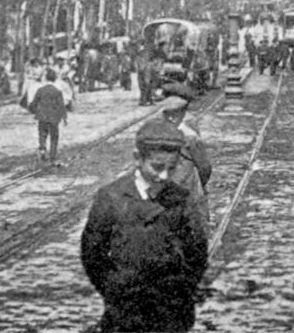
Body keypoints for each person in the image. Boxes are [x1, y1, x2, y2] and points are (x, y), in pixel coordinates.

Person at [81, 119, 209, 332]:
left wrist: (181, 291)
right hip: (125, 311)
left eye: (171, 168)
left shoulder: (181, 199)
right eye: (157, 167)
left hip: (171, 312)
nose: (164, 176)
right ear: (137, 158)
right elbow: (92, 253)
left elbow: (197, 252)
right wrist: (115, 287)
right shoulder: (111, 197)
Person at [159, 95, 212, 233]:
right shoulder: (159, 135)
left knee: (193, 224)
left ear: (182, 114)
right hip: (168, 191)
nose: (171, 118)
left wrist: (199, 183)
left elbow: (204, 167)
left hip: (188, 189)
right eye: (167, 115)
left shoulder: (190, 138)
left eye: (175, 114)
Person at [28, 68, 68, 165]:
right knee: (54, 137)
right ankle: (52, 157)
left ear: (45, 78)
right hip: (54, 118)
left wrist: (32, 111)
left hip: (42, 117)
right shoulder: (57, 91)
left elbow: (34, 103)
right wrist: (64, 118)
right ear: (54, 79)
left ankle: (42, 149)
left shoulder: (40, 90)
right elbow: (61, 106)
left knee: (42, 134)